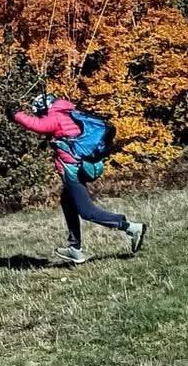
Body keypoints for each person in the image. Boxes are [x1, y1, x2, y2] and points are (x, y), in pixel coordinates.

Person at [12, 92, 147, 265]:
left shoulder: (56, 116)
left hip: (72, 171)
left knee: (87, 212)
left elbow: (38, 125)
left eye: (40, 113)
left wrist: (16, 115)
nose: (41, 116)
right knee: (67, 202)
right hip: (78, 166)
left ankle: (130, 228)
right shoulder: (68, 111)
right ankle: (75, 249)